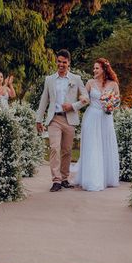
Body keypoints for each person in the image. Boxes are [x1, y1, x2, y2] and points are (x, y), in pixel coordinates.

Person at [36, 50, 88, 192]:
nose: (61, 64)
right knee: (54, 148)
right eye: (59, 61)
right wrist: (38, 120)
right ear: (56, 62)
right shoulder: (49, 80)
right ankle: (56, 180)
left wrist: (73, 106)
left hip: (70, 119)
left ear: (68, 63)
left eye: (64, 62)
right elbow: (44, 101)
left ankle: (65, 178)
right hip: (54, 119)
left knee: (66, 150)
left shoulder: (76, 79)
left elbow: (86, 98)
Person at [74, 58, 120, 191]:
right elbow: (83, 97)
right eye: (93, 68)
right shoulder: (90, 83)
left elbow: (117, 100)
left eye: (96, 68)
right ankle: (92, 179)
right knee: (93, 146)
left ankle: (107, 177)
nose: (94, 70)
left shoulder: (113, 84)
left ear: (104, 69)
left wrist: (111, 106)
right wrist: (82, 99)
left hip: (106, 118)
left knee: (105, 145)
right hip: (92, 117)